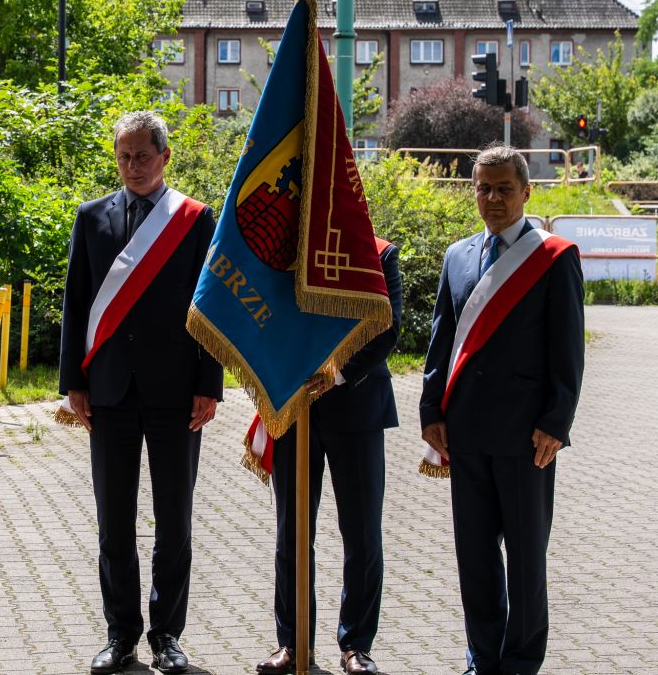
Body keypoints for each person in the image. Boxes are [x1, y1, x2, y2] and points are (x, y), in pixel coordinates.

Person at [59, 111, 223, 674]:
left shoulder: (196, 221)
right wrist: (73, 383)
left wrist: (209, 383)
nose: (133, 166)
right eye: (124, 156)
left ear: (164, 157)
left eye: (143, 155)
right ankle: (121, 633)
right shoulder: (91, 218)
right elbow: (76, 302)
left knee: (174, 519)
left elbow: (211, 309)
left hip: (176, 391)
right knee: (114, 520)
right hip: (109, 390)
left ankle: (168, 636)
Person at [419, 145, 584, 675]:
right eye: (483, 188)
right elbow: (441, 343)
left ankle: (520, 659)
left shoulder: (554, 257)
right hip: (465, 429)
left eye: (503, 188)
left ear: (526, 191)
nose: (492, 198)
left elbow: (568, 349)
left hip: (525, 434)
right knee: (475, 555)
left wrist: (556, 422)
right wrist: (430, 412)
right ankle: (483, 655)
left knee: (526, 555)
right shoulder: (458, 255)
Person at [257, 238, 403, 675]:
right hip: (294, 407)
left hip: (356, 406)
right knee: (293, 533)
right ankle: (292, 643)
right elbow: (262, 317)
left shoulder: (377, 252)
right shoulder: (281, 253)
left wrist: (336, 373)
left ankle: (356, 645)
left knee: (361, 536)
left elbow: (387, 326)